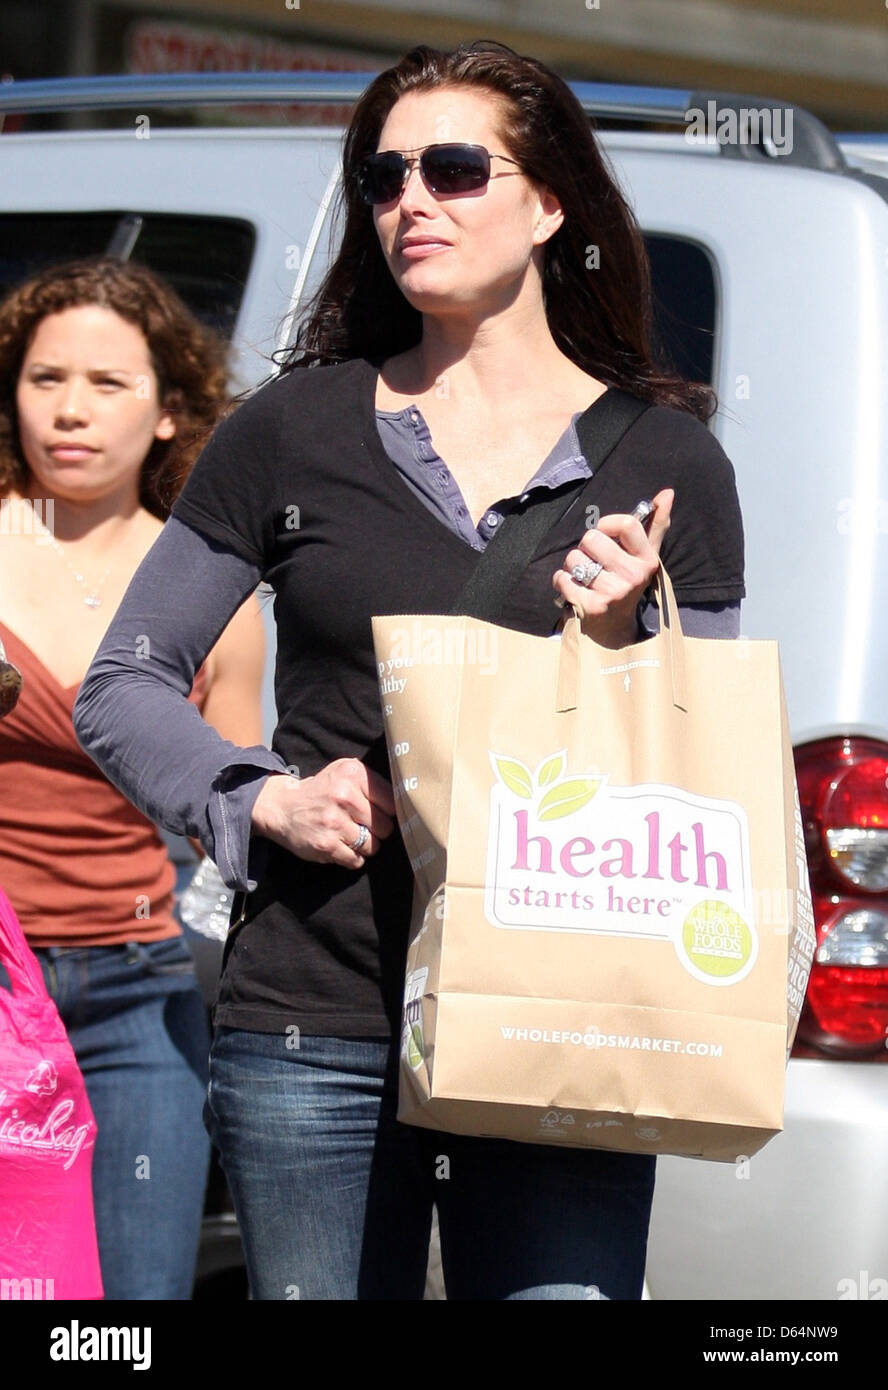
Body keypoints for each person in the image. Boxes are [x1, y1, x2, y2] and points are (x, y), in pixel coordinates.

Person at [73, 42, 745, 1300]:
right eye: (383, 178)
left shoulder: (670, 461)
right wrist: (256, 795)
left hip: (566, 1021)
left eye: (451, 168)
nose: (410, 203)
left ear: (552, 206)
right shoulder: (289, 431)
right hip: (314, 1021)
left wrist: (622, 641)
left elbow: (705, 763)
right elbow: (123, 680)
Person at [0, 258, 266, 1299]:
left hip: (140, 994)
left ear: (169, 413)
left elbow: (233, 821)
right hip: (3, 970)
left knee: (131, 1307)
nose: (71, 410)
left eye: (108, 384)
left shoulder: (213, 590)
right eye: (44, 377)